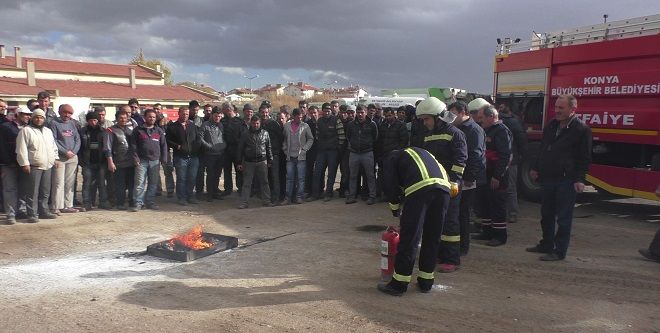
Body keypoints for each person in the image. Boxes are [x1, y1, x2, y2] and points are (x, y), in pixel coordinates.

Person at [377, 147, 451, 296]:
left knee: (410, 237)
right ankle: (426, 281)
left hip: (420, 189)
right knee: (432, 236)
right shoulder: (417, 153)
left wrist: (395, 207)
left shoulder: (390, 158)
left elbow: (390, 184)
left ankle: (399, 284)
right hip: (444, 189)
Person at [527, 94, 592, 261]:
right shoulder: (551, 126)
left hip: (566, 180)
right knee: (546, 215)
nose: (557, 110)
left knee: (563, 218)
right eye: (556, 107)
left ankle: (559, 251)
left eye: (561, 108)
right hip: (548, 178)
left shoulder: (581, 130)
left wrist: (579, 179)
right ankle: (546, 244)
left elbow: (584, 158)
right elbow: (543, 148)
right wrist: (535, 167)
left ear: (573, 109)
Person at [416, 97, 466, 273]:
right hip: (435, 184)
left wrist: (454, 181)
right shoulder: (428, 135)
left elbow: (460, 160)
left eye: (426, 119)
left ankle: (452, 259)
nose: (424, 123)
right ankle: (438, 253)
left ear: (438, 117)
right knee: (436, 221)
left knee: (450, 222)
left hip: (450, 185)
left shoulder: (455, 133)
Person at [472, 105, 513, 247]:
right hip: (485, 175)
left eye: (482, 118)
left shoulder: (502, 131)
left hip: (496, 177)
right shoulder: (486, 130)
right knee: (485, 203)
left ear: (491, 117)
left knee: (497, 206)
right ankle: (487, 231)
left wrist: (497, 176)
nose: (479, 121)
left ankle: (499, 236)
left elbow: (505, 156)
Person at [449, 101, 486, 256]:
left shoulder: (473, 130)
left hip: (468, 178)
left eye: (453, 114)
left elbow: (475, 155)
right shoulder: (458, 128)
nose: (451, 117)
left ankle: (463, 246)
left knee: (462, 213)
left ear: (463, 112)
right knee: (456, 213)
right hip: (459, 177)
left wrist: (470, 176)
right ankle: (457, 243)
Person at [16, 109, 59, 223]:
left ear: (44, 119)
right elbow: (21, 149)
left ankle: (44, 212)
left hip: (47, 165)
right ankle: (32, 214)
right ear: (32, 118)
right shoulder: (26, 131)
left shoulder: (48, 131)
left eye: (41, 117)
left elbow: (53, 146)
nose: (39, 119)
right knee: (32, 192)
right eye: (36, 117)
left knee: (45, 191)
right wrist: (24, 163)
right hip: (34, 165)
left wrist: (55, 158)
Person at [129, 109, 167, 212]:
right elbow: (133, 146)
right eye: (150, 117)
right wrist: (135, 158)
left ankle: (150, 202)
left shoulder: (159, 131)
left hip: (155, 161)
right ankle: (138, 203)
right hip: (141, 161)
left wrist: (164, 158)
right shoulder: (138, 130)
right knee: (140, 183)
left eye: (154, 117)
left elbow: (164, 146)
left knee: (153, 183)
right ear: (145, 117)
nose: (152, 119)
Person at [0, 107, 32, 224]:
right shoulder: (5, 127)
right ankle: (11, 214)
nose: (28, 117)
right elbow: (2, 146)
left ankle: (21, 211)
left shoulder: (29, 129)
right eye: (26, 115)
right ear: (18, 114)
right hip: (9, 164)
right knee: (10, 189)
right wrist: (8, 161)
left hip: (24, 164)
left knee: (23, 188)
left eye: (30, 115)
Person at [49, 104, 81, 215]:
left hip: (72, 157)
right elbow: (54, 140)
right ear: (60, 112)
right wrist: (65, 151)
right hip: (60, 158)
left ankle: (68, 205)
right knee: (58, 183)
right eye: (65, 112)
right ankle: (56, 206)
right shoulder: (54, 123)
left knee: (69, 183)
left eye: (70, 113)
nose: (67, 115)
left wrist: (74, 152)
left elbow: (77, 139)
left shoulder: (73, 123)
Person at [499, 103, 528, 223]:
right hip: (510, 159)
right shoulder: (513, 122)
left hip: (508, 160)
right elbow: (522, 140)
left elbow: (520, 140)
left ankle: (511, 212)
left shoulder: (508, 123)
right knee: (510, 187)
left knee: (507, 187)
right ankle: (511, 213)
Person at [166, 106, 201, 205]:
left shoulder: (193, 126)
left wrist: (197, 147)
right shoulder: (173, 127)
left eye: (187, 114)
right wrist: (177, 146)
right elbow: (167, 140)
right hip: (180, 157)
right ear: (179, 113)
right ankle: (182, 198)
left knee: (192, 178)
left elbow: (198, 138)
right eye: (183, 114)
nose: (185, 116)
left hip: (193, 157)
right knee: (181, 178)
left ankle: (190, 196)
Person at [236, 115, 273, 209]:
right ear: (250, 123)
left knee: (264, 182)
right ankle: (244, 202)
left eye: (257, 123)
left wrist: (270, 159)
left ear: (260, 123)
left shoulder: (265, 133)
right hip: (249, 162)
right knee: (247, 183)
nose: (255, 125)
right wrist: (239, 162)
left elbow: (268, 147)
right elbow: (240, 149)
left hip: (262, 161)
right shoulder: (245, 134)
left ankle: (267, 201)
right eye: (254, 123)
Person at [311, 102, 345, 201]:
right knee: (317, 172)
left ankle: (328, 193)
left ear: (331, 111)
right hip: (321, 151)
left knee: (331, 173)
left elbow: (342, 137)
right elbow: (317, 136)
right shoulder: (319, 121)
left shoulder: (336, 120)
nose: (326, 113)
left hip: (333, 151)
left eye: (328, 111)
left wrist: (337, 148)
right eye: (325, 111)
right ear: (322, 111)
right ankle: (315, 194)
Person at [345, 105, 378, 205]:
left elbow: (375, 138)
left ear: (366, 112)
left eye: (362, 112)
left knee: (370, 175)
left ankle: (372, 196)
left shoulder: (372, 124)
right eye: (358, 112)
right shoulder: (351, 124)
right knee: (353, 175)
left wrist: (367, 145)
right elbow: (348, 137)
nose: (360, 114)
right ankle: (352, 196)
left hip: (367, 153)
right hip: (354, 153)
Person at [375, 107, 409, 199]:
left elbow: (404, 141)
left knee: (395, 177)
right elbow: (379, 141)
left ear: (394, 115)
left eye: (389, 115)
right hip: (384, 156)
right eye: (386, 116)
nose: (388, 118)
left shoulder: (401, 126)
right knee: (384, 176)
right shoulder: (383, 125)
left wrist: (397, 153)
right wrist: (379, 155)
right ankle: (385, 194)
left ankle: (396, 195)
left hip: (395, 156)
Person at [282, 108, 314, 204]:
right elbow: (284, 139)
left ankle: (299, 196)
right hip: (290, 156)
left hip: (301, 157)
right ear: (293, 116)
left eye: (301, 117)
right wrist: (284, 149)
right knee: (289, 178)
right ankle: (288, 198)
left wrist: (305, 149)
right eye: (298, 117)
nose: (300, 119)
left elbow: (310, 139)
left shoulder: (305, 126)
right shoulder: (287, 126)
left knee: (300, 178)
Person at [104, 110, 135, 210]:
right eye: (121, 118)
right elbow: (107, 148)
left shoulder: (131, 130)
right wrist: (110, 162)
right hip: (118, 162)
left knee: (132, 184)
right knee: (119, 185)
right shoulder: (110, 130)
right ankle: (120, 203)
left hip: (131, 161)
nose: (123, 120)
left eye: (125, 118)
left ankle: (132, 202)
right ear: (117, 119)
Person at [79, 112, 110, 211]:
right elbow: (80, 147)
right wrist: (81, 161)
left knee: (102, 183)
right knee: (87, 183)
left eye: (95, 120)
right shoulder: (83, 131)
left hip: (101, 161)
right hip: (87, 161)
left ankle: (103, 202)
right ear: (87, 121)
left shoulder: (104, 131)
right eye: (91, 120)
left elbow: (107, 146)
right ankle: (87, 203)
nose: (93, 122)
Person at [259, 101, 285, 204]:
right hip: (262, 156)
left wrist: (276, 151)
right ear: (260, 113)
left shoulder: (274, 124)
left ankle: (276, 198)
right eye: (262, 112)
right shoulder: (258, 124)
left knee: (275, 177)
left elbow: (281, 138)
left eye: (266, 112)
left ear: (268, 112)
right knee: (265, 178)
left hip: (274, 155)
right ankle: (267, 197)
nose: (264, 114)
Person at [200, 108, 227, 201]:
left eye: (219, 116)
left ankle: (215, 192)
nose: (217, 118)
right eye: (216, 116)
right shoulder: (205, 125)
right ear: (212, 115)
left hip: (220, 154)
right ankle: (209, 194)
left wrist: (224, 145)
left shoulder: (221, 125)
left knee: (217, 174)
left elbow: (223, 137)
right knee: (210, 174)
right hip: (210, 154)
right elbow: (200, 139)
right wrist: (209, 146)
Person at [220, 102, 244, 196]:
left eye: (224, 110)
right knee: (227, 170)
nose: (223, 112)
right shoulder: (223, 121)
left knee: (239, 170)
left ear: (229, 109)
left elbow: (243, 136)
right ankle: (228, 189)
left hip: (237, 149)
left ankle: (240, 188)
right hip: (226, 150)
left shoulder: (239, 121)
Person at [304, 105, 319, 198]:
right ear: (309, 113)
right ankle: (308, 190)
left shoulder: (321, 122)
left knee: (318, 172)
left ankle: (318, 190)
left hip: (320, 150)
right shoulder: (307, 124)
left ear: (318, 112)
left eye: (315, 113)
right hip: (309, 151)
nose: (313, 114)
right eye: (311, 113)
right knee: (308, 171)